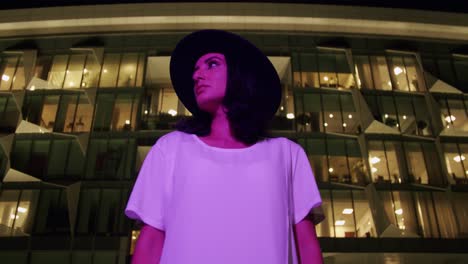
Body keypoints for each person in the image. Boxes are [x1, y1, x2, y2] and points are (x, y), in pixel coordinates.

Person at [125, 29, 323, 264]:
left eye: (211, 64)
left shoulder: (288, 154)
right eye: (195, 70)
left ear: (241, 74)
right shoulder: (170, 149)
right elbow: (150, 243)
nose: (197, 75)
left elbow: (306, 244)